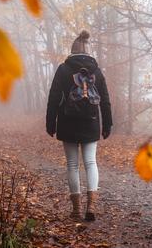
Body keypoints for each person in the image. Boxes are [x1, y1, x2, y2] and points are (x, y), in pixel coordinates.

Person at [46, 30, 112, 222]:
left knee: (73, 165)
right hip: (91, 122)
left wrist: (50, 123)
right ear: (89, 52)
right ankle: (91, 205)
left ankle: (76, 209)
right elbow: (105, 100)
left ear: (72, 51)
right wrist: (107, 124)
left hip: (67, 122)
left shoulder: (63, 69)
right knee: (91, 163)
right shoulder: (96, 71)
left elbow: (54, 98)